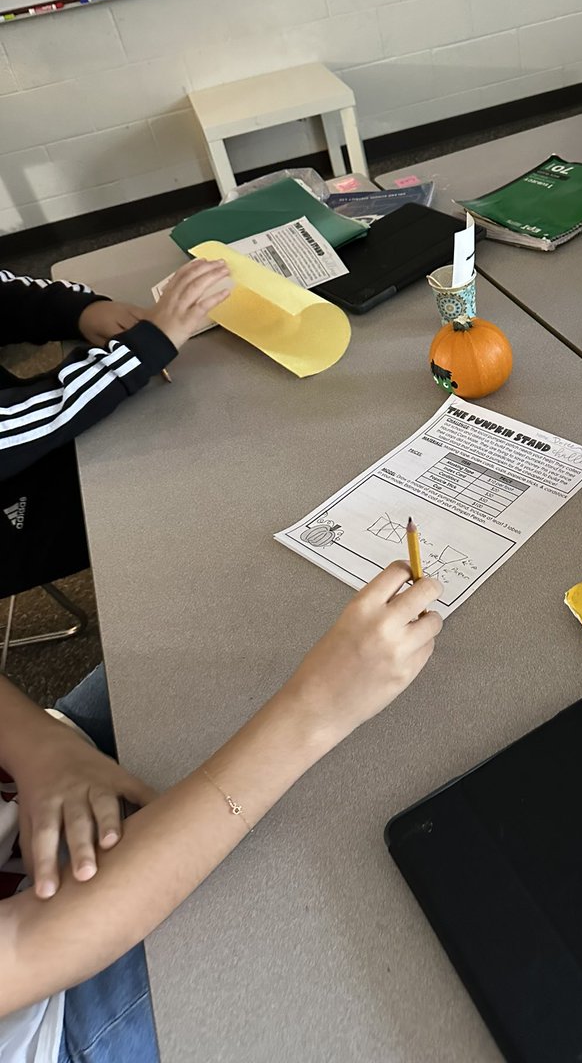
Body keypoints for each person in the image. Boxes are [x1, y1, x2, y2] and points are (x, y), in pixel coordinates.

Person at [0, 560, 443, 1061]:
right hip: (54, 1000)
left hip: (35, 776)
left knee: (249, 621)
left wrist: (40, 745)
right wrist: (312, 713)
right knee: (370, 882)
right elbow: (32, 945)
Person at [0, 258, 232, 597]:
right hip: (21, 519)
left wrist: (79, 311)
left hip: (36, 431)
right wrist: (141, 351)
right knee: (198, 493)